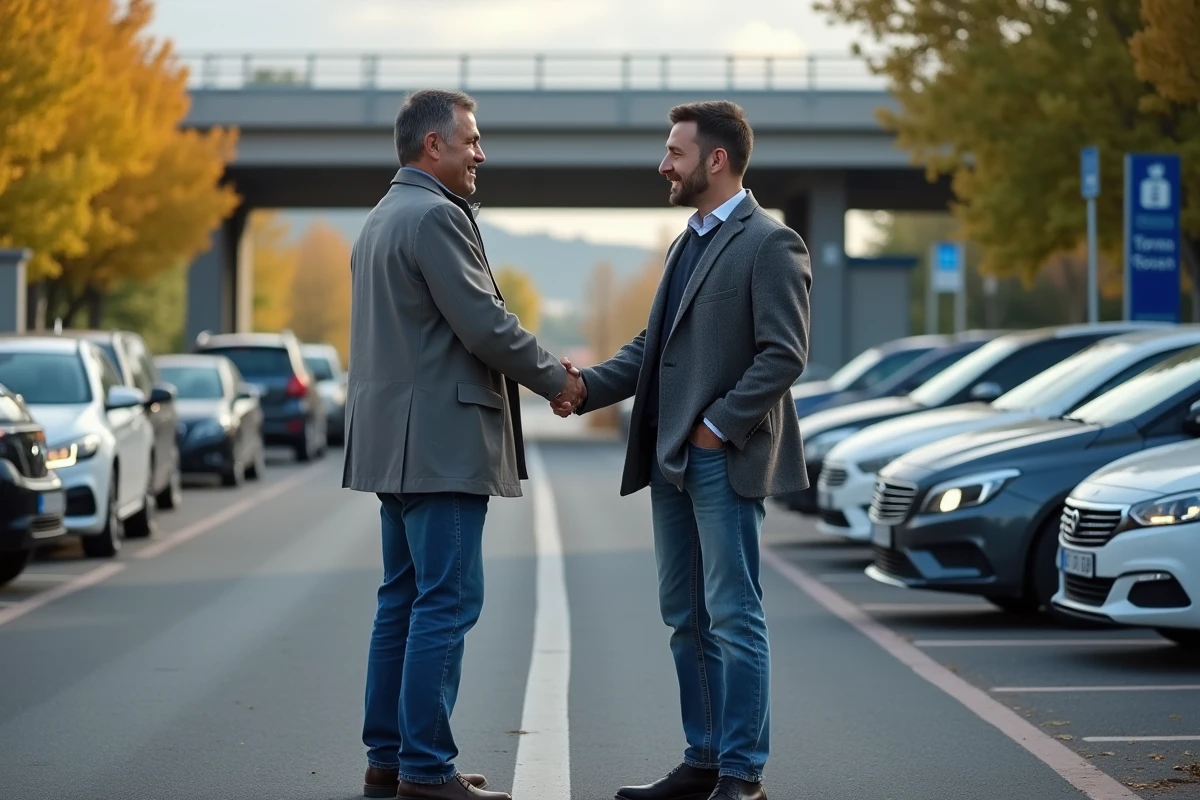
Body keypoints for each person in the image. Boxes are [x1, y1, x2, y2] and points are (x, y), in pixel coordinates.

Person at [560, 101, 812, 800]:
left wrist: (718, 425)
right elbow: (651, 349)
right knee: (686, 616)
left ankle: (743, 773)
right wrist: (583, 389)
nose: (663, 164)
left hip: (720, 458)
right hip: (670, 459)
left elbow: (784, 355)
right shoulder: (687, 242)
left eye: (674, 152)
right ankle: (702, 759)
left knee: (735, 616)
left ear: (717, 160)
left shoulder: (771, 242)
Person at [342, 89, 585, 800]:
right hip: (440, 442)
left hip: (394, 444)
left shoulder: (382, 218)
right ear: (433, 147)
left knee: (403, 601)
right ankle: (425, 768)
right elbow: (485, 325)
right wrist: (557, 382)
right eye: (471, 140)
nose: (482, 153)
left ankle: (389, 759)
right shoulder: (434, 218)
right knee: (446, 602)